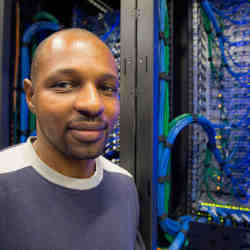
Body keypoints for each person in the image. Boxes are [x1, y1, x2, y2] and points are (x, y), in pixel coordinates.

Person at [0, 28, 145, 250]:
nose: (92, 104)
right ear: (31, 96)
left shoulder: (123, 186)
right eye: (64, 85)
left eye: (106, 88)